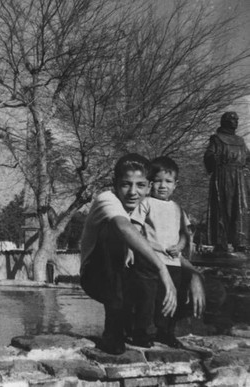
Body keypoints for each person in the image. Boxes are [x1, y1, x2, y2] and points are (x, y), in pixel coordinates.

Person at [80, 153, 205, 355]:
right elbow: (123, 228)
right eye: (126, 184)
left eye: (140, 185)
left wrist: (194, 274)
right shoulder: (107, 198)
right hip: (99, 276)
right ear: (115, 184)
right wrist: (161, 268)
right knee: (115, 233)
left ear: (148, 187)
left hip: (135, 278)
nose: (132, 192)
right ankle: (114, 331)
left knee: (214, 290)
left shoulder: (150, 206)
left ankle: (153, 327)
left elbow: (164, 247)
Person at [128, 156, 191, 348]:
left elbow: (185, 234)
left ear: (175, 185)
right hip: (149, 261)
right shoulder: (146, 203)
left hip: (172, 263)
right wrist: (139, 250)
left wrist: (179, 246)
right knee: (147, 299)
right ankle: (142, 334)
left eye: (168, 181)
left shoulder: (178, 209)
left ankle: (166, 333)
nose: (162, 186)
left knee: (170, 299)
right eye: (157, 181)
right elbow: (134, 231)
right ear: (149, 183)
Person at [204, 111, 250, 252]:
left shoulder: (241, 141)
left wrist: (246, 168)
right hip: (222, 176)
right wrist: (216, 160)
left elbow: (248, 158)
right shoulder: (217, 139)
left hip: (239, 178)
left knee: (240, 208)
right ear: (224, 121)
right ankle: (220, 241)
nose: (235, 121)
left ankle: (240, 241)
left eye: (236, 119)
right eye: (231, 119)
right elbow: (209, 156)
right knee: (221, 207)